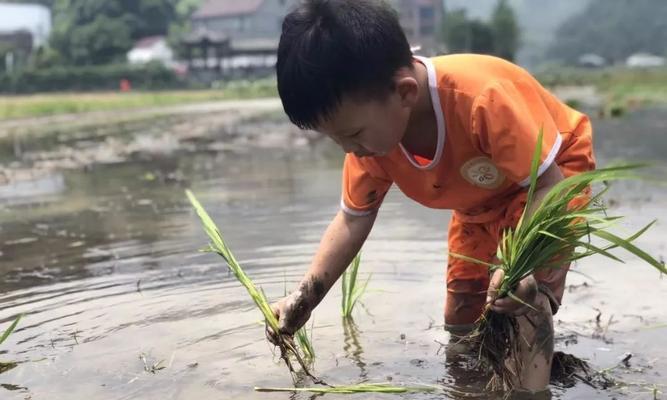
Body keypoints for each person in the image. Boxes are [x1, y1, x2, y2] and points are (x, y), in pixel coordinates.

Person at [267, 0, 595, 393]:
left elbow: (548, 186)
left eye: (352, 135)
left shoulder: (481, 99)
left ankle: (530, 391)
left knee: (521, 293)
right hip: (478, 201)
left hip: (550, 179)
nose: (347, 150)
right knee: (463, 317)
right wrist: (304, 299)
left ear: (404, 93)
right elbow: (353, 220)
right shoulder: (371, 141)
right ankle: (470, 385)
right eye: (335, 138)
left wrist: (519, 262)